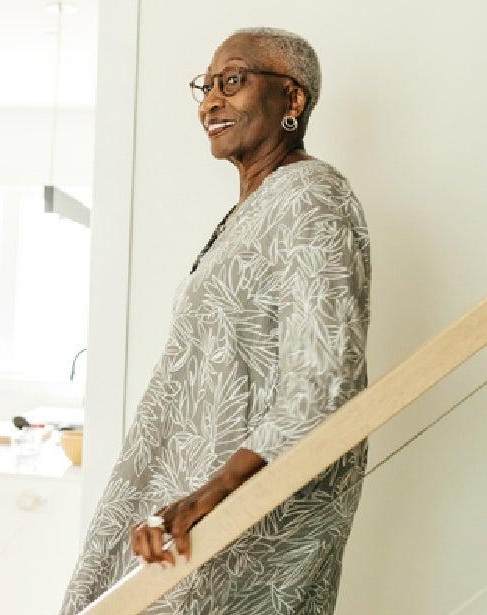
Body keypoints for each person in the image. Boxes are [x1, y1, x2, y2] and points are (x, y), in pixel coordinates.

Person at [59, 26, 371, 615]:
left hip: (241, 514)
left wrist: (208, 498)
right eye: (206, 86)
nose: (210, 102)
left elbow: (323, 380)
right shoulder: (258, 205)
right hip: (185, 497)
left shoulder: (312, 199)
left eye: (233, 81)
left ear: (293, 100)